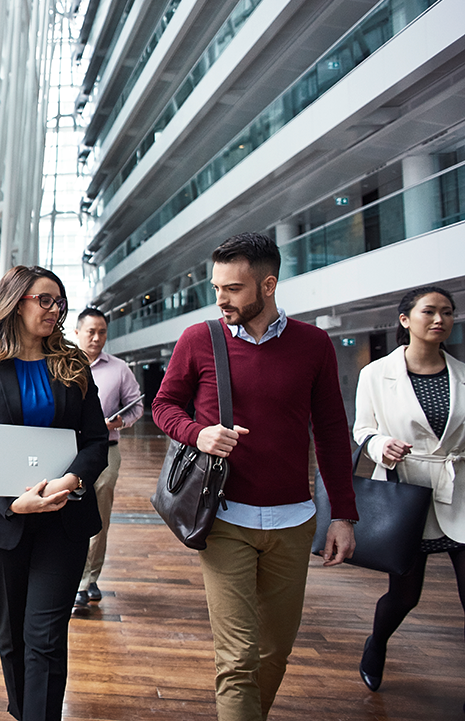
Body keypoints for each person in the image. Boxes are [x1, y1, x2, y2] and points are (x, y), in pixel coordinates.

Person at [152, 231, 357, 721]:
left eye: (233, 289)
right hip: (223, 520)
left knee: (273, 652)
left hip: (293, 523)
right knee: (238, 658)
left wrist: (343, 516)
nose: (220, 299)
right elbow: (163, 406)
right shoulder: (199, 340)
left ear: (268, 285)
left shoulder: (313, 344)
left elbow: (331, 432)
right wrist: (196, 434)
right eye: (216, 287)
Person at [0, 265, 109, 721]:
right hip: (5, 521)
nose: (55, 309)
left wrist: (72, 480)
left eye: (59, 302)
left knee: (44, 636)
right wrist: (11, 501)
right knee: (13, 635)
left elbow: (96, 440)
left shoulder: (73, 363)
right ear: (15, 302)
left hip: (63, 520)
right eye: (45, 300)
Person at [353, 285, 464, 695]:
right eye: (430, 311)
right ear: (405, 320)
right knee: (405, 596)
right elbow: (363, 429)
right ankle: (376, 644)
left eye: (448, 312)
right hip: (406, 494)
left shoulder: (462, 374)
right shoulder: (375, 374)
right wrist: (383, 446)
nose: (440, 320)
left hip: (460, 491)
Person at [71, 307, 143, 612]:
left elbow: (136, 407)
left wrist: (118, 423)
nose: (97, 337)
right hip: (67, 450)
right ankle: (74, 575)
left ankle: (87, 580)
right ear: (77, 333)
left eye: (102, 332)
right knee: (67, 512)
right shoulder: (62, 366)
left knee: (99, 513)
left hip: (105, 449)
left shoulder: (119, 369)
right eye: (91, 331)